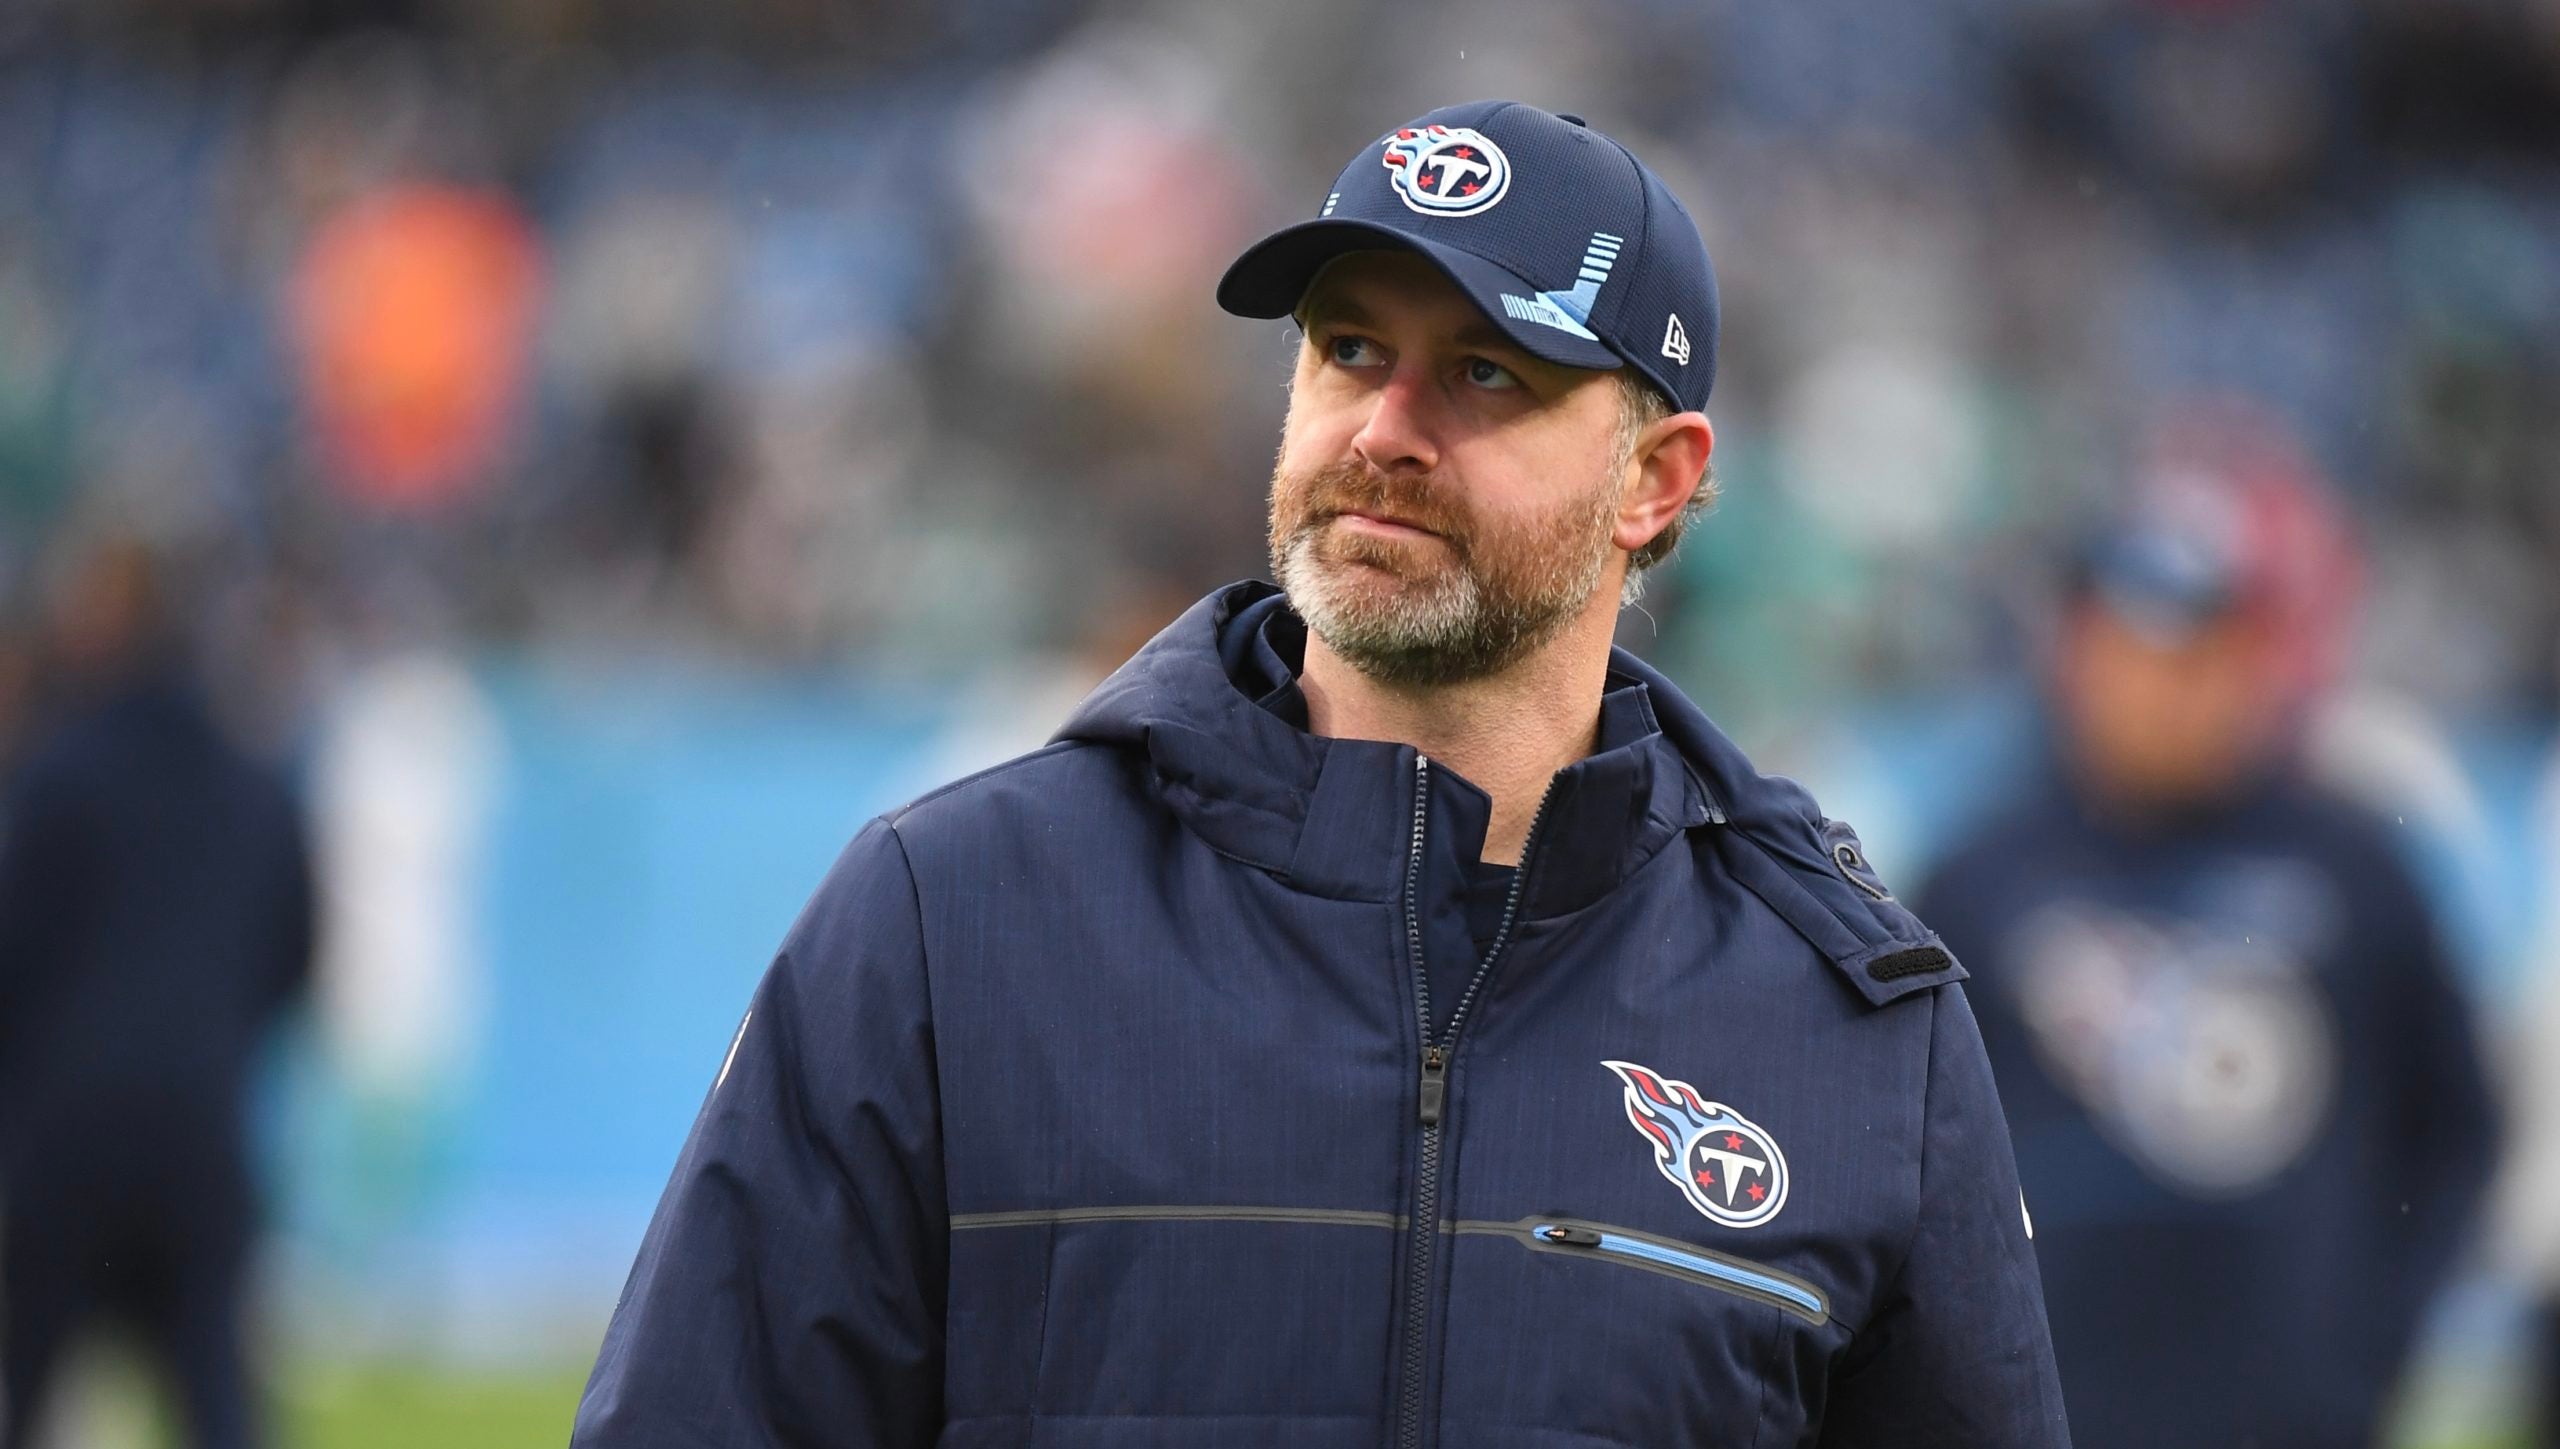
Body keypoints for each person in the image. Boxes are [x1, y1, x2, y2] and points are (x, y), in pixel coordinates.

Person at [574, 101, 2068, 1448]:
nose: (1386, 430)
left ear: (1657, 480)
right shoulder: (948, 921)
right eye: (1350, 349)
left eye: (1487, 372)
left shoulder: (1849, 1022)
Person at [1913, 446, 2498, 1449]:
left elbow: (2453, 1130)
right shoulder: (1977, 880)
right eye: (2126, 647)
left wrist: (2367, 1344)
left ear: (2259, 659)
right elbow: (1912, 1157)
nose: (2156, 689)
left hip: (2295, 1420)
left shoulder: (2355, 867)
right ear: (2074, 651)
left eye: (2195, 652)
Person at [0, 537, 314, 1449]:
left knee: (29, 1394)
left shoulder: (58, 778)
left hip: (68, 1141)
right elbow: (295, 957)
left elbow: (13, 960)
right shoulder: (254, 784)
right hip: (201, 1138)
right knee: (216, 1400)